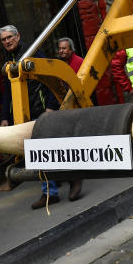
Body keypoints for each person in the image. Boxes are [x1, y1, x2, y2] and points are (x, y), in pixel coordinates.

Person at [0, 25, 62, 209]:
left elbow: (51, 80)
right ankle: (55, 187)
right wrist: (4, 117)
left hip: (40, 110)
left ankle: (50, 192)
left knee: (42, 151)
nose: (7, 41)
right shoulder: (7, 60)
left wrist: (50, 107)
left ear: (18, 36)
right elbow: (7, 92)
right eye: (4, 39)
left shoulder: (33, 53)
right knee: (41, 152)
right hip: (24, 113)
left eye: (10, 37)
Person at [54, 37, 84, 201]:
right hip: (63, 109)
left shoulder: (79, 62)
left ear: (71, 50)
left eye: (64, 48)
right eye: (60, 48)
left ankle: (76, 178)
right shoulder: (57, 66)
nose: (61, 51)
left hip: (78, 107)